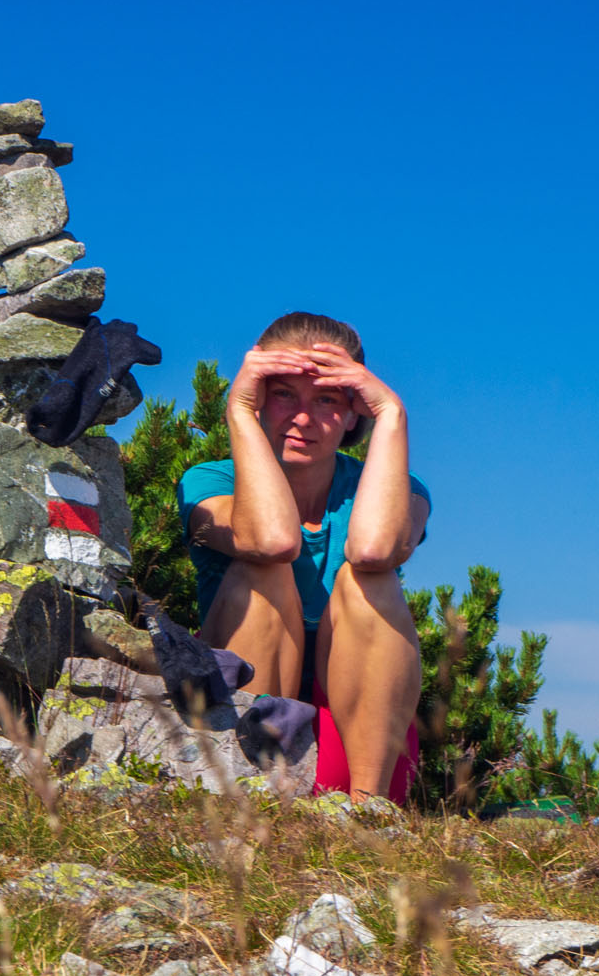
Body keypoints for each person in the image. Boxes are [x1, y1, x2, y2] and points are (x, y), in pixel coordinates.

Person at [176, 312, 429, 804]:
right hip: (241, 724)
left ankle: (369, 813)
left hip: (361, 740)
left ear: (356, 411)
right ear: (260, 398)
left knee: (367, 580)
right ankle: (252, 802)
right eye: (284, 393)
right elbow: (270, 540)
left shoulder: (401, 493)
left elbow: (375, 549)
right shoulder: (208, 483)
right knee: (262, 569)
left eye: (328, 400)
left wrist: (393, 413)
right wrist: (238, 411)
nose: (303, 417)